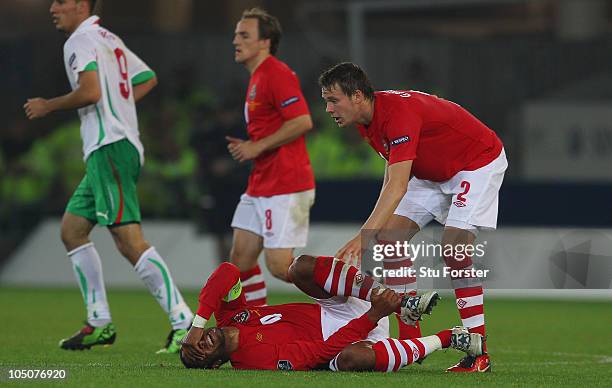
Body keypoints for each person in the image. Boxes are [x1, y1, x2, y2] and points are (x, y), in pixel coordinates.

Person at [23, 0, 193, 353]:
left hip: (109, 148)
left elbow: (90, 92)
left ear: (82, 5)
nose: (53, 7)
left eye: (61, 1)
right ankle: (99, 321)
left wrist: (48, 105)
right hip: (113, 147)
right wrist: (121, 108)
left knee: (129, 241)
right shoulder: (108, 38)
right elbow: (146, 78)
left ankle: (185, 322)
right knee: (72, 230)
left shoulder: (80, 40)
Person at [319, 62, 507, 372]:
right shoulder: (367, 120)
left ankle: (479, 351)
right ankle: (410, 341)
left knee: (454, 249)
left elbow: (397, 187)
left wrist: (361, 237)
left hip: (476, 162)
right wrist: (373, 233)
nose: (328, 108)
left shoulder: (396, 115)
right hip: (430, 172)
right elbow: (391, 178)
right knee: (390, 240)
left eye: (332, 100)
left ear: (356, 96)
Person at [180, 255, 483, 371]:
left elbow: (229, 271)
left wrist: (196, 324)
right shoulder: (255, 361)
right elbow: (324, 351)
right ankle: (448, 338)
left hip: (340, 309)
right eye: (199, 354)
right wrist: (372, 317)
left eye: (193, 344)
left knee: (299, 268)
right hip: (347, 341)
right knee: (352, 361)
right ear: (215, 364)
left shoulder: (230, 317)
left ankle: (402, 305)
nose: (201, 343)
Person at [226, 8, 316, 306]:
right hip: (262, 182)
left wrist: (256, 146)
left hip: (286, 182)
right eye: (236, 34)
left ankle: (355, 293)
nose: (235, 40)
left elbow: (302, 121)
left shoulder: (276, 73)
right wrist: (253, 146)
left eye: (244, 35)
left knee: (279, 266)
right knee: (240, 260)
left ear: (265, 42)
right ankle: (256, 325)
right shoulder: (257, 77)